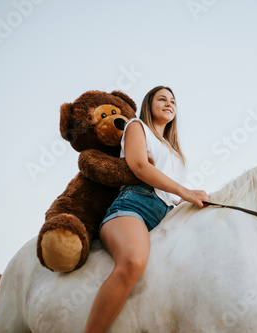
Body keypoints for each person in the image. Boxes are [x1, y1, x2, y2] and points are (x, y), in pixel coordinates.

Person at [84, 86, 210, 332]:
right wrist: (185, 191)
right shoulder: (136, 126)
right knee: (132, 261)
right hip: (134, 206)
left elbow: (171, 195)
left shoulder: (175, 152)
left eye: (173, 101)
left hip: (166, 216)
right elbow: (139, 166)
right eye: (162, 99)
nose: (169, 103)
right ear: (148, 104)